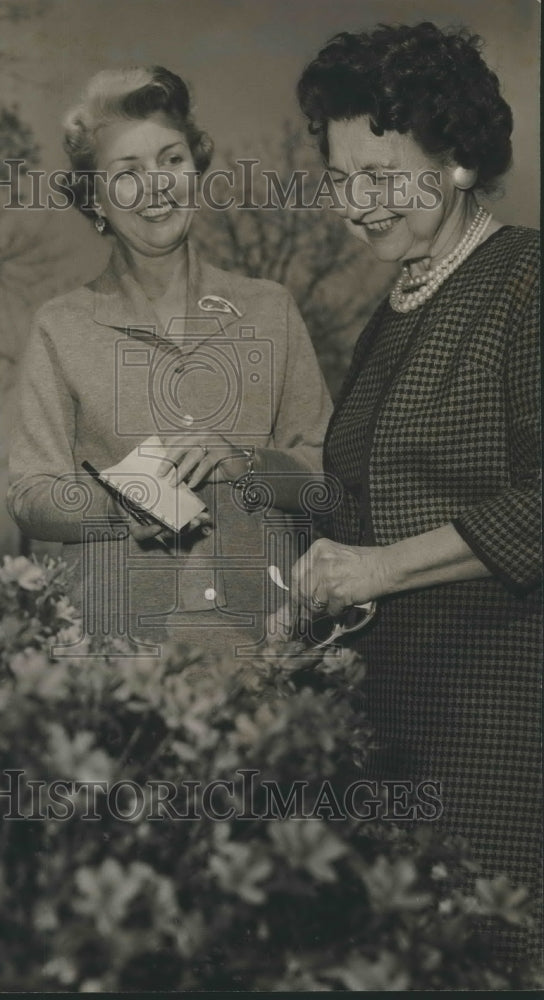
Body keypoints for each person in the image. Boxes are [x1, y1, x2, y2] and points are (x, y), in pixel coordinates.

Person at [287, 22, 541, 965]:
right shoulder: (388, 317)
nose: (357, 204)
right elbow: (357, 509)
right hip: (390, 726)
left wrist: (380, 569)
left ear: (459, 160)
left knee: (486, 958)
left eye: (382, 176)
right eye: (340, 178)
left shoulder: (526, 280)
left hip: (497, 728)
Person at [7, 67, 332, 660]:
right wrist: (118, 504)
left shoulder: (270, 309)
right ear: (95, 199)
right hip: (118, 649)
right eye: (127, 173)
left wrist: (245, 463)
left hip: (263, 645)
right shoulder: (62, 326)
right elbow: (31, 495)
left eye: (171, 160)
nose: (156, 186)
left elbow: (323, 477)